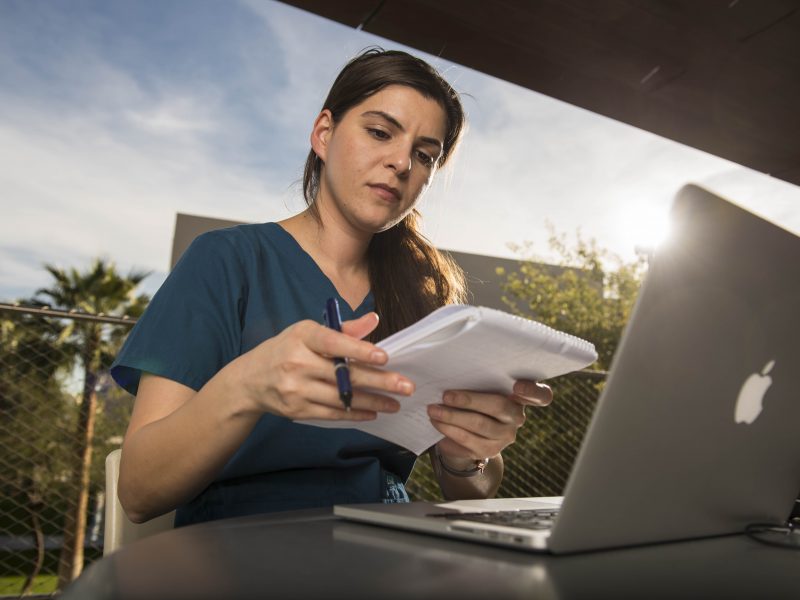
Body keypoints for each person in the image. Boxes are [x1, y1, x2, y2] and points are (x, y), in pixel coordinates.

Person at [111, 47, 552, 527]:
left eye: (425, 155)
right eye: (380, 132)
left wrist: (467, 452)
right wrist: (247, 386)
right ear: (323, 134)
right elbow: (138, 490)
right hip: (235, 551)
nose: (402, 162)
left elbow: (471, 490)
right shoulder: (225, 260)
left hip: (387, 547)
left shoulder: (428, 296)